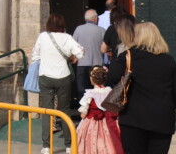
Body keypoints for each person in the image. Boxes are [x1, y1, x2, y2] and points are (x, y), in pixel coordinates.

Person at [107, 23, 176, 154]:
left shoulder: (128, 56)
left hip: (133, 118)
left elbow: (112, 77)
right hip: (161, 120)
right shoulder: (168, 60)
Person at [31, 13, 85, 154]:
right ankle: (68, 146)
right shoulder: (67, 38)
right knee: (64, 111)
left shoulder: (43, 36)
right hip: (63, 77)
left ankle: (46, 146)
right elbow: (80, 53)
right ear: (62, 25)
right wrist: (71, 57)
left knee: (47, 111)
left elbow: (35, 56)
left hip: (46, 77)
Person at [76, 66, 122, 154]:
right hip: (108, 121)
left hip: (91, 122)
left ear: (91, 79)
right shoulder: (109, 91)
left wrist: (83, 115)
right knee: (109, 140)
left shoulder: (90, 94)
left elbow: (83, 113)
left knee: (90, 140)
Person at [74, 10, 106, 100]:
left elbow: (73, 45)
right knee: (98, 91)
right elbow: (106, 47)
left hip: (82, 63)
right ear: (95, 18)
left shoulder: (78, 29)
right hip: (97, 64)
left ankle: (82, 109)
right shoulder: (101, 30)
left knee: (82, 90)